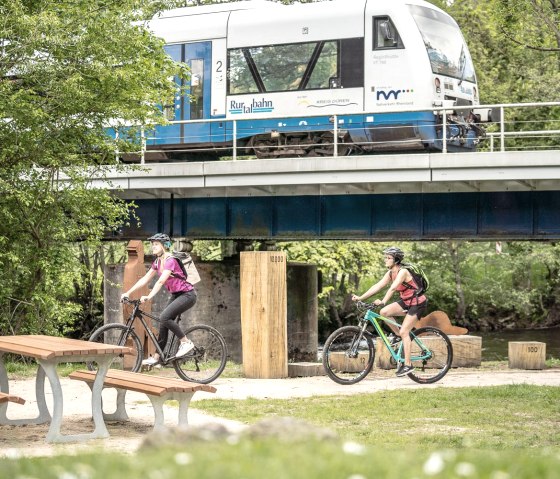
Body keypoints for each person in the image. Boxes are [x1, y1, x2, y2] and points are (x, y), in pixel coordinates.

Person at [121, 233, 197, 366]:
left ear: (164, 246)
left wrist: (149, 296)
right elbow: (144, 279)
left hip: (187, 295)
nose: (153, 247)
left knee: (164, 317)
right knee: (163, 322)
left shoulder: (170, 260)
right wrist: (128, 292)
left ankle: (185, 342)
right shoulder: (157, 262)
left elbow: (161, 281)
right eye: (152, 245)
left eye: (156, 244)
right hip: (176, 295)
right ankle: (156, 358)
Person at [351, 246, 427, 377]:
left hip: (417, 303)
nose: (385, 260)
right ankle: (398, 336)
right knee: (384, 312)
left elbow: (392, 288)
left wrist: (383, 301)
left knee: (405, 331)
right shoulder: (390, 273)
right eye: (385, 257)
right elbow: (378, 286)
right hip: (406, 301)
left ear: (396, 260)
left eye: (389, 258)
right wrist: (360, 297)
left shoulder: (402, 272)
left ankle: (408, 365)